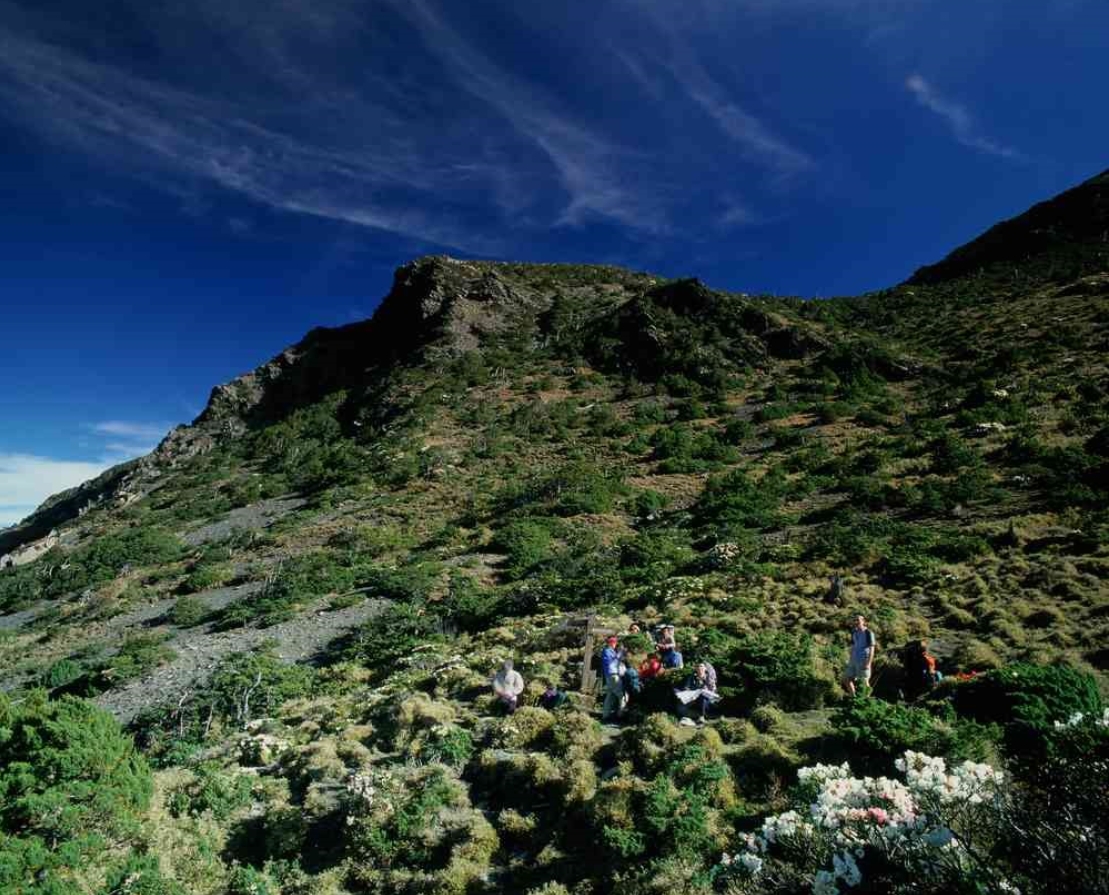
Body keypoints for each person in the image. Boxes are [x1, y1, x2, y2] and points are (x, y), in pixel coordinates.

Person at [842, 615, 876, 697]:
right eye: (854, 620)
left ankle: (866, 701)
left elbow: (872, 649)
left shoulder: (868, 633)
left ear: (863, 621)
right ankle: (853, 697)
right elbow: (853, 646)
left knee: (864, 681)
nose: (856, 622)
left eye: (858, 620)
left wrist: (868, 663)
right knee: (846, 678)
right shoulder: (854, 633)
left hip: (863, 660)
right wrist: (850, 659)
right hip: (853, 660)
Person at [601, 635, 625, 722]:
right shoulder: (607, 651)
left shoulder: (609, 651)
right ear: (611, 643)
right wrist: (621, 652)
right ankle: (620, 715)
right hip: (613, 675)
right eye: (615, 643)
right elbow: (612, 662)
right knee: (621, 696)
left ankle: (605, 716)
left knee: (610, 696)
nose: (615, 644)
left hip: (609, 676)